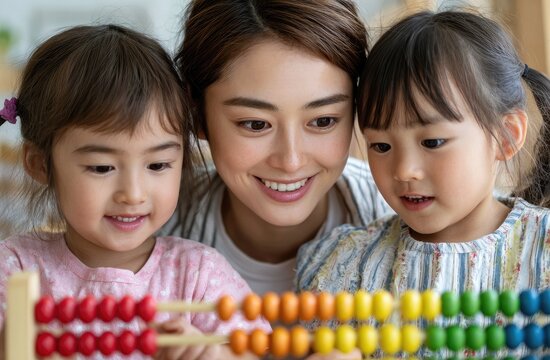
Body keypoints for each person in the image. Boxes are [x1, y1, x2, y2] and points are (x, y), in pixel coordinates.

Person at [0, 24, 268, 360]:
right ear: (39, 163)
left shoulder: (198, 274)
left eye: (157, 165)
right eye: (102, 168)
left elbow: (256, 353)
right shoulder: (14, 270)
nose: (133, 193)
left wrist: (212, 355)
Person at [297, 9, 550, 356]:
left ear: (506, 136)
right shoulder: (348, 269)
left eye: (432, 142)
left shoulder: (543, 254)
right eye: (381, 146)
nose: (404, 171)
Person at [163, 0, 392, 296]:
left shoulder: (400, 218)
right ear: (196, 113)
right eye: (256, 124)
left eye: (323, 121)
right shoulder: (148, 226)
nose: (291, 161)